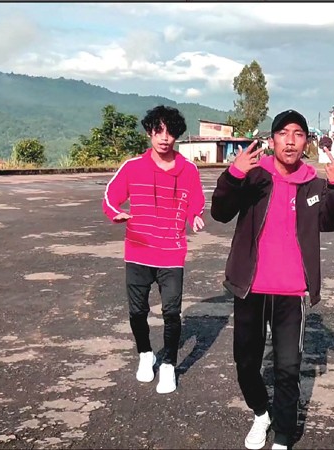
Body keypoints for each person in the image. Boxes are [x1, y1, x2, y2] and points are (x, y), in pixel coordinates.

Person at [211, 109, 334, 449]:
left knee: (288, 367)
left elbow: (331, 222)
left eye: (298, 134)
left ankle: (284, 436)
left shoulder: (313, 183)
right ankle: (261, 413)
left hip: (292, 292)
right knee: (246, 364)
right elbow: (220, 212)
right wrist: (233, 175)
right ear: (272, 140)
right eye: (283, 133)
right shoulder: (254, 176)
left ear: (306, 142)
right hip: (251, 288)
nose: (290, 141)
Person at [101, 105, 205, 394]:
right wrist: (115, 213)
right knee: (137, 311)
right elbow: (110, 197)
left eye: (170, 132)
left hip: (172, 252)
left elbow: (196, 201)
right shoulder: (132, 167)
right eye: (158, 131)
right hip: (138, 251)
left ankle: (169, 365)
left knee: (172, 312)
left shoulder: (189, 170)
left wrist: (194, 215)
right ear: (149, 132)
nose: (164, 138)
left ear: (177, 136)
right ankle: (146, 354)